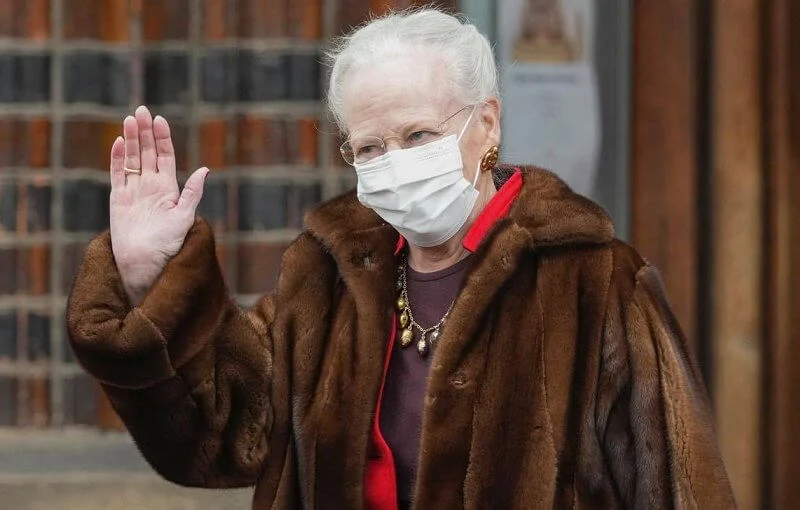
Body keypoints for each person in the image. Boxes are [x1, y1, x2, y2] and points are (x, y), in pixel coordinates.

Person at [66, 7, 735, 510]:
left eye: (419, 135)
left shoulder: (593, 281)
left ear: (489, 124)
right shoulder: (325, 277)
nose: (394, 164)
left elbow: (680, 484)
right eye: (370, 148)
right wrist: (149, 275)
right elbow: (224, 436)